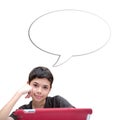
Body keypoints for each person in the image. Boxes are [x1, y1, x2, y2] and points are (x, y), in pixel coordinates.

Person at [0, 66, 74, 120]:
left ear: (49, 89)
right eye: (35, 85)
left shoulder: (57, 102)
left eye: (45, 87)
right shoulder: (23, 111)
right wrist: (19, 93)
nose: (39, 91)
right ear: (28, 85)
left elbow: (78, 116)